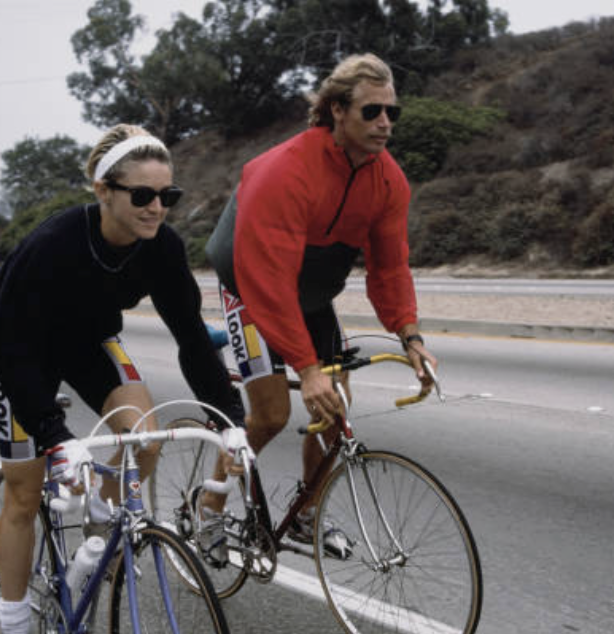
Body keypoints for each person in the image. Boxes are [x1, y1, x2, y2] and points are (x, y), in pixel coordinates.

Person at [0, 123, 245, 634]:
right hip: (21, 350)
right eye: (142, 194)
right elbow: (13, 350)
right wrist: (56, 437)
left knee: (143, 437)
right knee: (25, 495)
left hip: (90, 342)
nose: (156, 206)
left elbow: (190, 336)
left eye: (168, 195)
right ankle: (12, 619)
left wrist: (231, 418)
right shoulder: (53, 245)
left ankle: (104, 510)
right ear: (104, 191)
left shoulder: (161, 246)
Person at [204, 53, 436, 555]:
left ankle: (305, 513)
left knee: (336, 409)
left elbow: (390, 268)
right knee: (269, 415)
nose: (384, 123)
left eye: (392, 113)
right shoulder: (285, 171)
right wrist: (307, 368)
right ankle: (210, 509)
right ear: (336, 109)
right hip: (251, 285)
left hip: (309, 293)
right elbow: (267, 279)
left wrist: (410, 336)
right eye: (371, 111)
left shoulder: (388, 180)